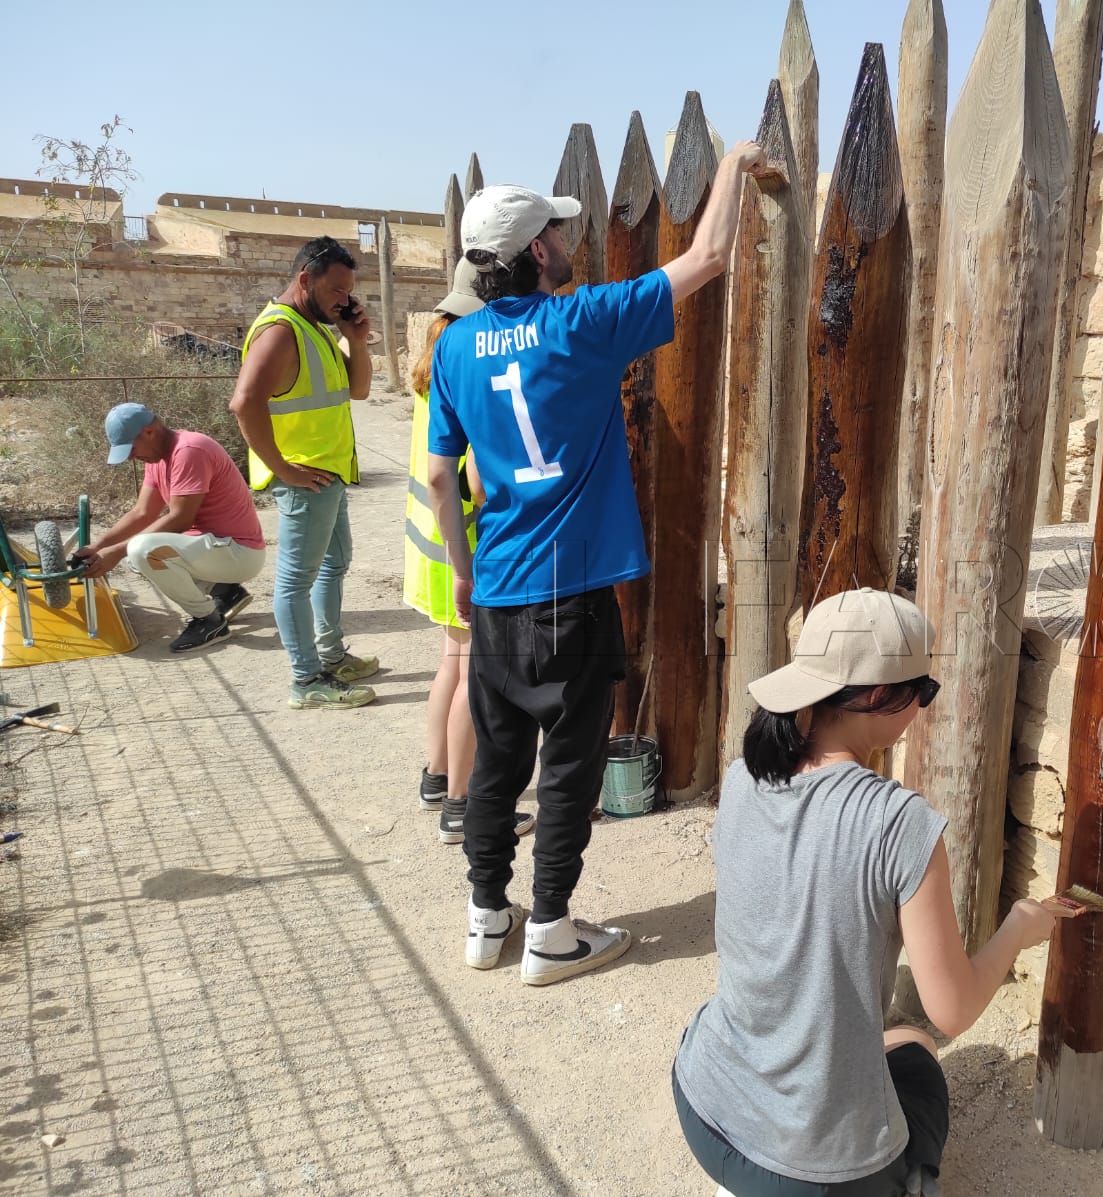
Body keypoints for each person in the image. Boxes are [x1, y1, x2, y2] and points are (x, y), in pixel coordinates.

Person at [427, 141, 767, 984]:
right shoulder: (579, 322)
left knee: (499, 764)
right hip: (571, 595)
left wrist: (463, 568)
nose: (567, 240)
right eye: (556, 230)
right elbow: (711, 256)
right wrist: (735, 165)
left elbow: (440, 473)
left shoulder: (454, 347)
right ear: (536, 251)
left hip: (499, 591)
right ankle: (549, 929)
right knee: (572, 762)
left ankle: (484, 916)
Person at [672, 589, 1091, 1197]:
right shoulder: (899, 823)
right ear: (879, 698)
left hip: (704, 1101)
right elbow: (953, 1009)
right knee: (920, 1055)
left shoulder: (744, 773)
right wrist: (1019, 929)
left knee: (895, 1040)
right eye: (924, 693)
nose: (924, 708)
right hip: (813, 1171)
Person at [405, 260, 533, 846]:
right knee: (474, 678)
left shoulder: (430, 375)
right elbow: (477, 484)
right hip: (465, 545)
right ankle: (461, 803)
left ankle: (436, 775)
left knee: (450, 664)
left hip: (430, 545)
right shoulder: (470, 374)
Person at [229, 235, 380, 711]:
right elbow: (244, 403)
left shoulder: (314, 327)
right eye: (337, 290)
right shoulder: (280, 330)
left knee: (334, 564)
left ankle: (331, 655)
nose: (345, 300)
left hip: (328, 475)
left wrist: (356, 340)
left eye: (349, 291)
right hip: (305, 480)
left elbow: (357, 391)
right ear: (304, 281)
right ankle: (307, 679)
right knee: (295, 581)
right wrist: (282, 470)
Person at [75, 403, 264, 653]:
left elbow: (180, 519)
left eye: (130, 449)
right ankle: (225, 592)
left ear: (149, 431)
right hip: (216, 549)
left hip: (239, 552)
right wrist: (99, 547)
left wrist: (117, 552)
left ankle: (209, 621)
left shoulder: (189, 451)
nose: (130, 457)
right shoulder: (156, 457)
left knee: (141, 550)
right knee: (138, 553)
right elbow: (142, 513)